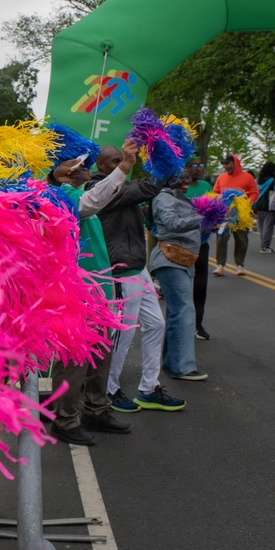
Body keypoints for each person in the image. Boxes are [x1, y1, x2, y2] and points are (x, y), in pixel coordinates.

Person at [47, 138, 147, 445]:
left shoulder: (76, 190)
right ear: (55, 168)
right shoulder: (56, 195)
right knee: (74, 359)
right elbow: (88, 205)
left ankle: (95, 409)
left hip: (99, 288)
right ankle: (64, 420)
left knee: (100, 353)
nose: (82, 166)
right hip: (74, 292)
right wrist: (126, 167)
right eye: (73, 161)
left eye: (84, 162)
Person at [82, 146, 183, 412]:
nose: (121, 164)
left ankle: (148, 389)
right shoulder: (100, 188)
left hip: (139, 269)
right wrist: (164, 155)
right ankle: (109, 390)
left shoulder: (120, 187)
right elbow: (148, 187)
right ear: (101, 167)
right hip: (121, 271)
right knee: (121, 336)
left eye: (121, 160)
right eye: (114, 161)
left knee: (156, 325)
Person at [150, 173, 207, 382]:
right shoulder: (163, 198)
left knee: (178, 312)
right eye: (179, 177)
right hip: (169, 259)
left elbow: (190, 227)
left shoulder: (182, 199)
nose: (186, 180)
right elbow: (172, 224)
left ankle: (172, 363)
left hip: (182, 261)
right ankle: (181, 367)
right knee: (184, 311)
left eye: (187, 177)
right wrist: (203, 216)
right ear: (167, 178)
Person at [212, 154, 259, 276]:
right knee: (221, 238)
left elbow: (254, 193)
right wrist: (217, 198)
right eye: (224, 164)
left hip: (240, 215)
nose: (226, 166)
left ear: (235, 163)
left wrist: (247, 203)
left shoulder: (247, 177)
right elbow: (215, 191)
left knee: (242, 240)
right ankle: (220, 265)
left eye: (228, 163)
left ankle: (239, 265)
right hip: (224, 214)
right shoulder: (221, 178)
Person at [184, 157, 214, 340]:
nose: (198, 168)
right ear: (186, 168)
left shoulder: (206, 186)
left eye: (200, 164)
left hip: (202, 243)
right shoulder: (181, 187)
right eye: (194, 165)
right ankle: (183, 324)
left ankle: (198, 324)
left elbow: (213, 210)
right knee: (184, 287)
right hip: (183, 245)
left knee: (200, 286)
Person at [255, 161, 275, 254]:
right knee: (268, 226)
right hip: (268, 205)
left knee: (261, 226)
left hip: (258, 205)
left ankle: (263, 244)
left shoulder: (257, 180)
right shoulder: (272, 180)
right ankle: (265, 246)